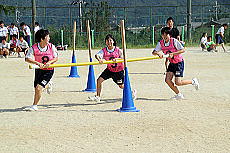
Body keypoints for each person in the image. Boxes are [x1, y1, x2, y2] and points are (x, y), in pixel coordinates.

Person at [152, 27, 199, 100]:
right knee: (167, 80)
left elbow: (183, 50)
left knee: (178, 82)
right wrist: (158, 53)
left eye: (166, 35)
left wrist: (173, 53)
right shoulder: (160, 43)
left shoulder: (174, 41)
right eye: (163, 35)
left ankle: (193, 81)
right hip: (172, 63)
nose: (164, 37)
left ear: (169, 35)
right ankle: (179, 94)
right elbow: (153, 52)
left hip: (179, 63)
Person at [88, 34, 137, 102]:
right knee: (99, 80)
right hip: (109, 70)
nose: (109, 42)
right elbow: (97, 55)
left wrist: (117, 59)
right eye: (107, 41)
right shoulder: (104, 50)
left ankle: (132, 91)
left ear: (113, 41)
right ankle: (98, 96)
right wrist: (99, 59)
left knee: (121, 86)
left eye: (110, 40)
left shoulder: (117, 50)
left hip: (118, 71)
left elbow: (123, 57)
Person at [24, 29, 58, 111]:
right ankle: (48, 85)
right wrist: (37, 63)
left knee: (39, 88)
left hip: (49, 70)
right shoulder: (34, 47)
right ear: (42, 39)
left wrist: (49, 62)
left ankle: (34, 105)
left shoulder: (51, 46)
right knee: (37, 88)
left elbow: (56, 58)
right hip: (39, 70)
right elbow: (27, 58)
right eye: (47, 36)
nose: (49, 38)